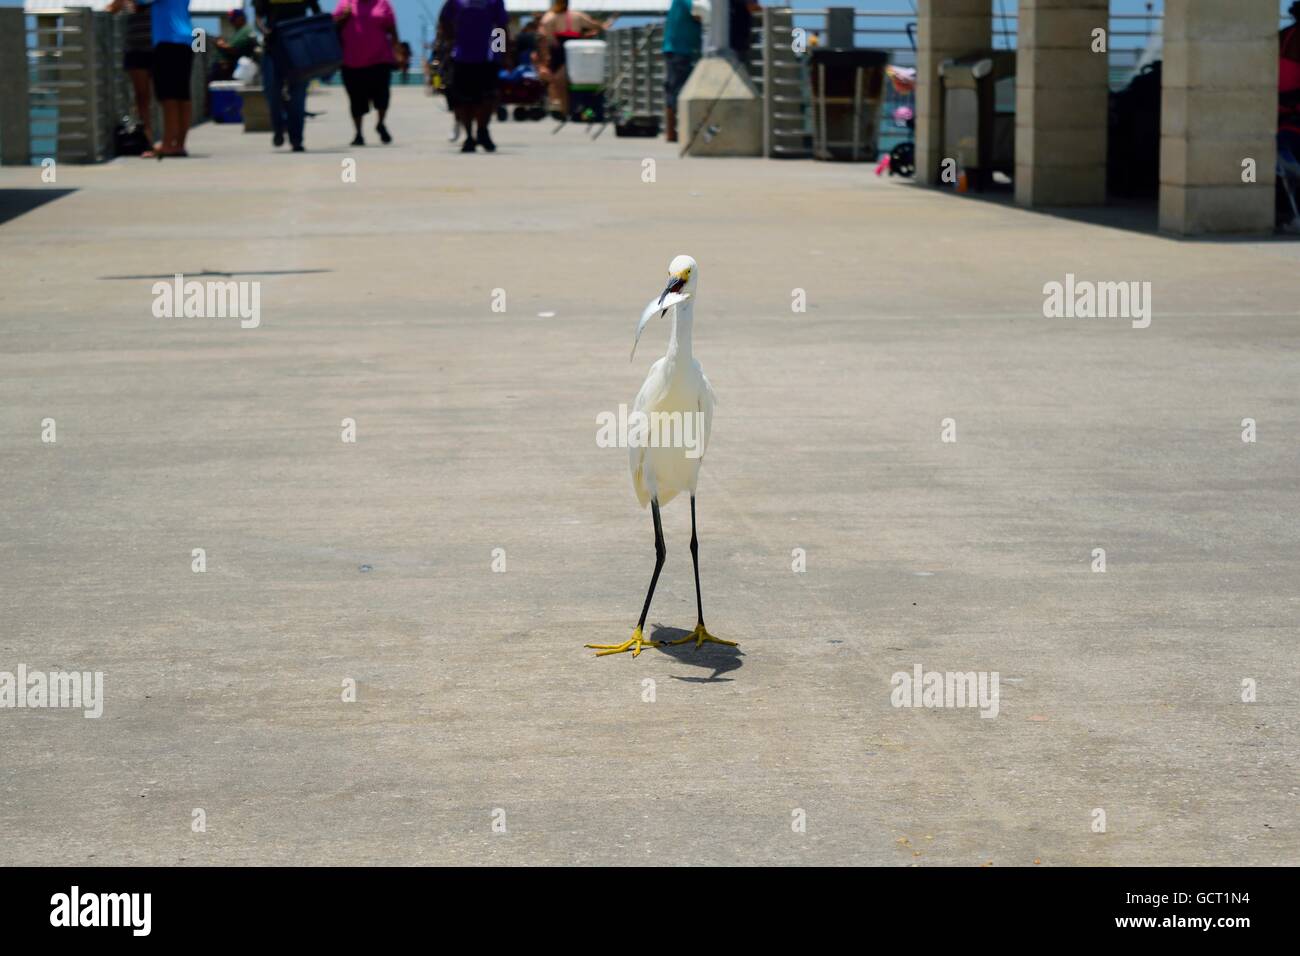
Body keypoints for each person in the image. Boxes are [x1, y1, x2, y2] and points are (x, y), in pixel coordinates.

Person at [436, 0, 509, 153]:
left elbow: (501, 26)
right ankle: (469, 135)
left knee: (488, 97)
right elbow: (444, 19)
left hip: (487, 57)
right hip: (461, 56)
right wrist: (450, 40)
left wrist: (501, 52)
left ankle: (482, 129)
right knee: (463, 99)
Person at [254, 0, 321, 152]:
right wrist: (265, 31)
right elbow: (258, 17)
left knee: (298, 95)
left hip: (299, 46)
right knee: (272, 92)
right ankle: (278, 127)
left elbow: (317, 12)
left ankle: (296, 139)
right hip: (273, 47)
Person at [334, 0, 400, 146]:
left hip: (380, 59)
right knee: (356, 99)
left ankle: (380, 124)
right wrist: (343, 17)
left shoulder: (383, 4)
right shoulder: (345, 3)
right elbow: (333, 27)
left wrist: (398, 53)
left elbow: (393, 30)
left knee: (382, 96)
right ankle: (358, 133)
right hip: (351, 61)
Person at [537, 1, 612, 119]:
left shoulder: (552, 16)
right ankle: (572, 108)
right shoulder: (577, 15)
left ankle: (565, 108)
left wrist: (551, 42)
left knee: (559, 80)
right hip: (576, 46)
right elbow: (592, 24)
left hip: (561, 49)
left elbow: (545, 27)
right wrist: (602, 26)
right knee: (578, 78)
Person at [107, 0, 155, 154]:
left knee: (161, 95)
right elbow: (110, 10)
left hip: (158, 47)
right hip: (135, 48)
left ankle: (166, 139)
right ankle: (147, 138)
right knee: (141, 97)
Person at [150, 0, 195, 158]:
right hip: (187, 38)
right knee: (183, 95)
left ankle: (168, 144)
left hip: (167, 39)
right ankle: (180, 144)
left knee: (168, 95)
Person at [661, 0, 703, 143]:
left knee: (673, 89)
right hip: (681, 50)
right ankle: (672, 132)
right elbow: (700, 14)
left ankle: (672, 132)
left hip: (676, 49)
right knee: (676, 90)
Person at [210, 8, 258, 82]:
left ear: (240, 18)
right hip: (228, 68)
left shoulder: (245, 31)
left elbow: (232, 49)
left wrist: (219, 43)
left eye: (233, 19)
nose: (231, 22)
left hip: (235, 68)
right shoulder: (239, 31)